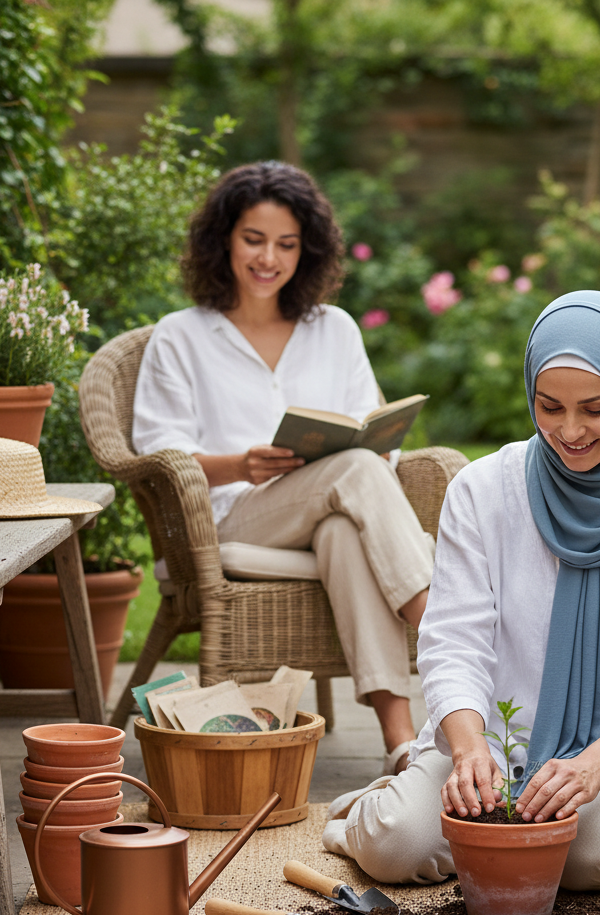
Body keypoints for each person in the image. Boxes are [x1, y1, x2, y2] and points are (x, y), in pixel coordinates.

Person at [322, 290, 600, 889]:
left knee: (587, 856)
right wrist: (466, 751)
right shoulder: (484, 489)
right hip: (487, 749)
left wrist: (592, 766)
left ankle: (494, 821)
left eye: (595, 409)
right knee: (397, 845)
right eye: (549, 406)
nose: (569, 430)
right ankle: (375, 808)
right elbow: (453, 639)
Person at [131, 161, 433, 773]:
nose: (269, 257)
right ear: (223, 240)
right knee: (352, 473)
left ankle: (403, 745)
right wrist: (241, 464)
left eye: (287, 244)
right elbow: (158, 457)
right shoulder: (180, 336)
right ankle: (443, 627)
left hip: (329, 508)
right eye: (254, 239)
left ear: (307, 250)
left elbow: (377, 443)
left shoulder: (335, 330)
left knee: (345, 529)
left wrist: (373, 446)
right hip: (229, 522)